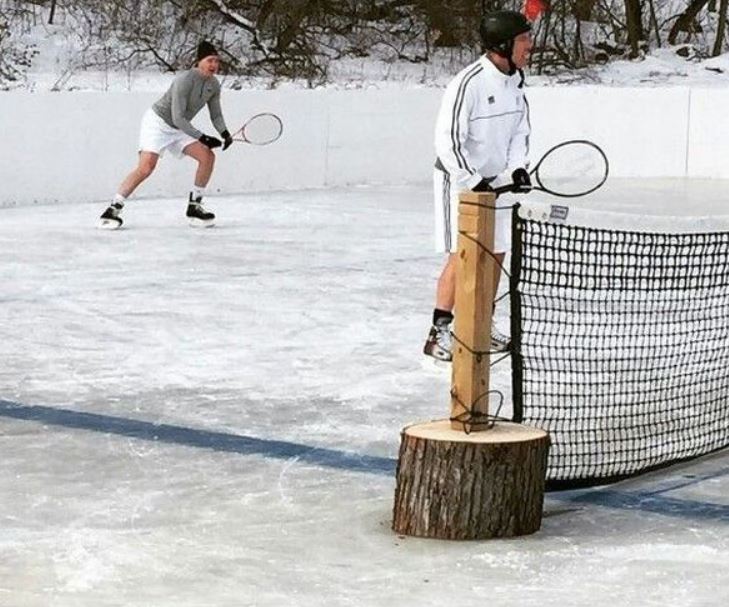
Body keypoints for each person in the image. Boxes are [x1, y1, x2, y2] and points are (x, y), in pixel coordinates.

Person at [423, 10, 534, 362]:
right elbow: (448, 141)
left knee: (497, 252)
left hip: (497, 183)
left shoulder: (516, 81)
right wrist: (473, 180)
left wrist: (516, 168)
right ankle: (438, 331)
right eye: (522, 40)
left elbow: (521, 129)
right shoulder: (468, 83)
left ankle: (481, 324)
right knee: (464, 254)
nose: (529, 46)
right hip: (458, 181)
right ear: (503, 45)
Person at [98, 40, 233, 229]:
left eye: (217, 61)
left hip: (179, 129)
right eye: (210, 60)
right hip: (157, 123)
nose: (214, 65)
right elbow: (178, 117)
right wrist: (203, 137)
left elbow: (216, 114)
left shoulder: (214, 85)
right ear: (199, 62)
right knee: (146, 168)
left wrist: (224, 133)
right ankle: (113, 208)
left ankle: (195, 205)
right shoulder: (184, 80)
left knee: (207, 157)